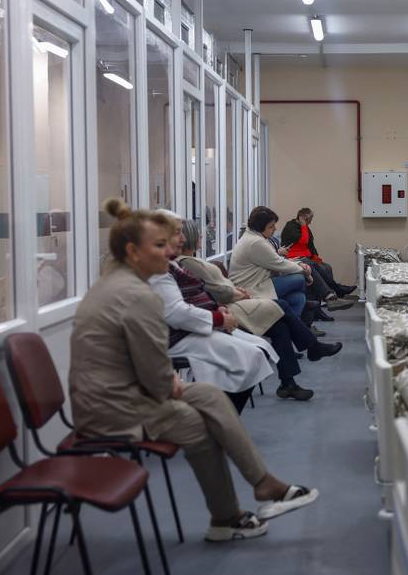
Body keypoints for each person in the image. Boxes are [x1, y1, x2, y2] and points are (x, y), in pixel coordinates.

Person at [69, 198, 317, 542]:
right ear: (132, 251)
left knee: (210, 396)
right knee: (197, 423)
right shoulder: (137, 294)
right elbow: (157, 378)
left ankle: (262, 485)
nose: (170, 252)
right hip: (114, 408)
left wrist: (169, 382)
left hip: (126, 392)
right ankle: (227, 516)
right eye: (159, 245)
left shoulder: (122, 282)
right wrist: (169, 382)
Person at [175, 217, 343, 401]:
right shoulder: (188, 263)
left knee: (281, 323)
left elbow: (218, 287)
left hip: (237, 300)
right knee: (283, 305)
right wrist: (239, 293)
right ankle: (310, 347)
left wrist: (236, 291)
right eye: (198, 234)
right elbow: (217, 291)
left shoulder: (193, 261)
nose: (202, 235)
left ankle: (290, 381)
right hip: (233, 306)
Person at [149, 212, 280, 413]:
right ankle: (222, 414)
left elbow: (192, 297)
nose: (183, 239)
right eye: (177, 233)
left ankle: (222, 414)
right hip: (178, 335)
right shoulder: (159, 270)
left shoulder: (171, 264)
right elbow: (176, 311)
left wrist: (214, 309)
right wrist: (217, 317)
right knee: (251, 356)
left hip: (197, 324)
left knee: (258, 351)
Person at [228, 206, 312, 316]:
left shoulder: (253, 236)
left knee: (298, 298)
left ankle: (295, 327)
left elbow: (276, 261)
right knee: (300, 279)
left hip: (258, 284)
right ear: (260, 228)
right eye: (271, 226)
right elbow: (279, 263)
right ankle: (304, 318)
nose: (275, 229)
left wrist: (300, 265)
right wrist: (304, 271)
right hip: (251, 288)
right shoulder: (256, 242)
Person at [281, 208, 357, 299]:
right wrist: (304, 225)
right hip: (296, 257)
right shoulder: (291, 226)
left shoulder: (304, 227)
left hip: (306, 256)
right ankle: (333, 291)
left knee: (327, 267)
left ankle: (334, 291)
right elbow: (303, 241)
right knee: (317, 267)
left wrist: (315, 256)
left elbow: (310, 244)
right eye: (309, 219)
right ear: (303, 218)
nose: (310, 222)